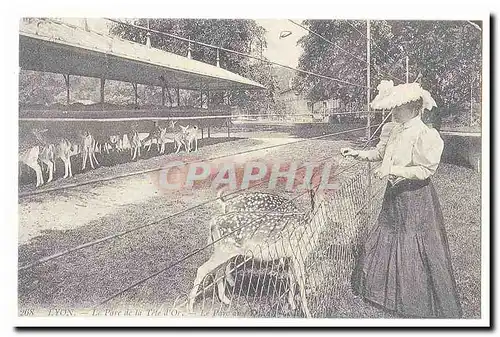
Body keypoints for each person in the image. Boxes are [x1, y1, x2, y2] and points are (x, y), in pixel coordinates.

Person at [341, 80, 462, 318]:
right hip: (394, 195)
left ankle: (413, 300)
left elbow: (425, 171)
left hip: (415, 197)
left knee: (413, 243)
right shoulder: (393, 129)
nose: (393, 111)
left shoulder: (425, 134)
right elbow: (380, 154)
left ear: (415, 108)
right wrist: (357, 153)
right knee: (390, 236)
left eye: (398, 108)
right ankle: (383, 293)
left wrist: (393, 171)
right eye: (393, 108)